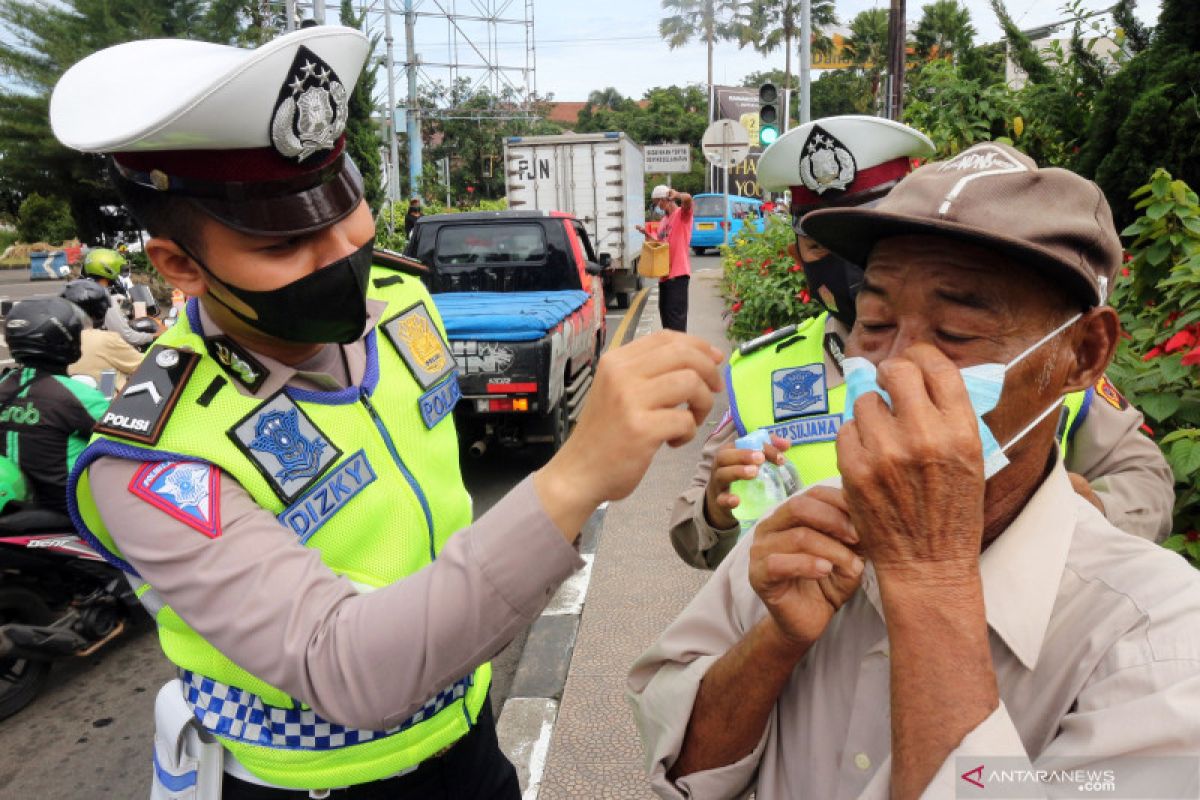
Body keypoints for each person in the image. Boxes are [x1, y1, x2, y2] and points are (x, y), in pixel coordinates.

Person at [51, 26, 723, 799]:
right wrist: (573, 476)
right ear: (178, 265)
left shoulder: (401, 306)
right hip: (317, 780)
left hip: (468, 738)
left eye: (346, 205)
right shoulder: (158, 456)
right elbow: (345, 665)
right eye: (288, 241)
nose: (341, 252)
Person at [630, 141, 1200, 799]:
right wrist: (774, 645)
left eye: (955, 333)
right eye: (874, 321)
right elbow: (681, 769)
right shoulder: (796, 542)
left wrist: (929, 577)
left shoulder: (1160, 644)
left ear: (1083, 352)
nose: (894, 367)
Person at [669, 116, 1176, 569]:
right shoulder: (760, 371)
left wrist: (1070, 519)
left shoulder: (1033, 363)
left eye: (953, 332)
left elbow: (1142, 479)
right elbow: (694, 536)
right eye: (818, 244)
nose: (893, 360)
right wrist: (718, 513)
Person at [0, 298, 108, 519]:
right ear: (66, 339)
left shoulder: (3, 385)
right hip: (68, 516)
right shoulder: (80, 396)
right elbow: (129, 442)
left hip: (10, 512)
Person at [62, 278, 144, 391]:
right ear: (101, 311)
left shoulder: (56, 338)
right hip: (110, 405)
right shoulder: (105, 339)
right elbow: (144, 365)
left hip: (72, 401)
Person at [636, 185, 693, 332]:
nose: (657, 206)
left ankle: (679, 354)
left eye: (657, 202)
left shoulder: (682, 215)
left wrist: (678, 194)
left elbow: (688, 200)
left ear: (665, 200)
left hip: (678, 276)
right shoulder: (663, 222)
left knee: (676, 323)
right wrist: (648, 236)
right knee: (666, 321)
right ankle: (671, 353)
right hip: (664, 278)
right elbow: (661, 246)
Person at [80, 247, 158, 349]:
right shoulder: (104, 299)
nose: (119, 274)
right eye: (118, 268)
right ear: (107, 269)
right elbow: (128, 337)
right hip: (105, 350)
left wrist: (120, 299)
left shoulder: (86, 290)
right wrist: (155, 337)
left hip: (87, 346)